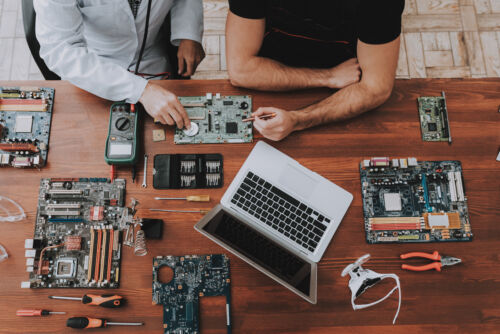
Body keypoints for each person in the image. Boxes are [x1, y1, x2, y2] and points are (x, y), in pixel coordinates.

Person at [226, 0, 405, 141]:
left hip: (347, 84)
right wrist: (328, 77)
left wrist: (296, 119)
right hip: (276, 70)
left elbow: (376, 89)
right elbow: (241, 71)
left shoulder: (380, 4)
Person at [34, 0, 205, 129]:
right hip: (94, 68)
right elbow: (60, 49)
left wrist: (188, 32)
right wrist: (141, 90)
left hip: (152, 53)